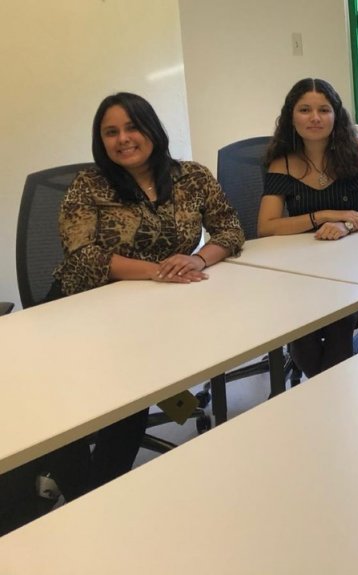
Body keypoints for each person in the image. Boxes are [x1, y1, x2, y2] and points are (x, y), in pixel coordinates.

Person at [50, 92, 243, 505]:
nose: (123, 139)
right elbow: (83, 256)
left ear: (152, 128)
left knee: (132, 393)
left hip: (158, 311)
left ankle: (101, 496)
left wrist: (196, 260)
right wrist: (158, 270)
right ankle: (86, 501)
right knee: (67, 410)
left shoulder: (192, 177)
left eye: (132, 127)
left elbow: (230, 229)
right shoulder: (89, 185)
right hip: (83, 311)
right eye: (111, 132)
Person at [257, 78, 358, 377]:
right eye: (305, 110)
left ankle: (327, 403)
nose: (315, 118)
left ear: (336, 114)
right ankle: (332, 401)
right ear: (291, 115)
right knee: (305, 343)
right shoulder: (282, 162)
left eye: (323, 110)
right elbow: (266, 226)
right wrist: (325, 214)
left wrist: (346, 224)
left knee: (338, 326)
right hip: (300, 271)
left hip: (350, 269)